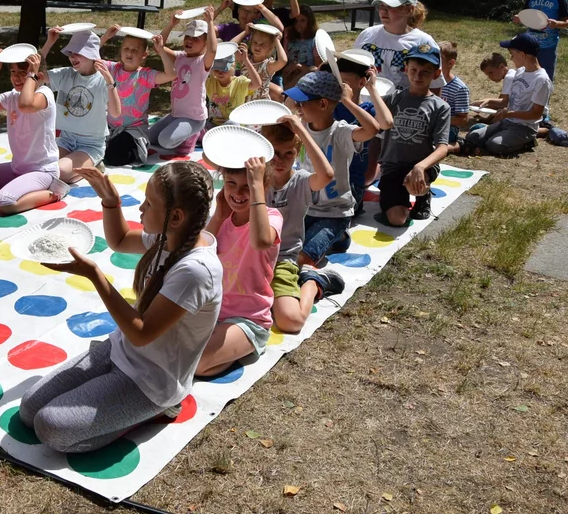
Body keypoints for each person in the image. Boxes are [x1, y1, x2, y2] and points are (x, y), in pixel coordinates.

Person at [20, 162, 220, 452]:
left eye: (149, 203)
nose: (140, 208)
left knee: (49, 427)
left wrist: (95, 276)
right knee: (29, 409)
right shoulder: (172, 237)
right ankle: (111, 410)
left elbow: (141, 333)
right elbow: (121, 240)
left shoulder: (196, 270)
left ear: (175, 217)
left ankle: (158, 409)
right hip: (119, 351)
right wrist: (110, 202)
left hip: (150, 381)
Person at [282, 71, 379, 266]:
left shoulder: (340, 131)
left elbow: (372, 129)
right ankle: (339, 239)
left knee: (301, 259)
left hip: (334, 213)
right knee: (281, 246)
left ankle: (337, 233)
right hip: (305, 209)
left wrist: (348, 102)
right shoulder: (302, 126)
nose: (297, 108)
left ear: (323, 104)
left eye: (302, 103)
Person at [195, 156, 281, 377]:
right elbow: (198, 253)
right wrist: (219, 215)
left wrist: (256, 185)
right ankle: (225, 348)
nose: (238, 193)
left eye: (248, 187)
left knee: (197, 365)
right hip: (211, 312)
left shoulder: (271, 217)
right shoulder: (223, 217)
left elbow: (261, 241)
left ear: (262, 188)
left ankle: (241, 348)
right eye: (231, 183)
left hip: (248, 319)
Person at [260, 119, 345, 335]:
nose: (279, 160)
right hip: (251, 257)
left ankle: (314, 280)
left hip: (282, 259)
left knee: (291, 321)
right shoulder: (255, 179)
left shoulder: (300, 182)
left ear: (297, 153)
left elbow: (326, 175)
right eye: (274, 153)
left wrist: (302, 131)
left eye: (288, 153)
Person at [0, 51, 68, 214]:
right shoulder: (13, 96)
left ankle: (54, 192)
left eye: (22, 73)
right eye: (13, 72)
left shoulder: (45, 94)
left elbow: (25, 105)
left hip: (42, 171)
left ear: (38, 75)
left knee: (2, 202)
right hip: (17, 168)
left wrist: (31, 76)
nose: (16, 77)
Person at [377, 45, 451, 226]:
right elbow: (373, 124)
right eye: (413, 70)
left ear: (436, 74)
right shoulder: (392, 99)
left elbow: (443, 147)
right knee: (397, 220)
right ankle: (397, 196)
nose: (418, 76)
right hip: (392, 165)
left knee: (415, 185)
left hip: (421, 167)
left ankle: (422, 195)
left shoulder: (440, 107)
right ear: (405, 69)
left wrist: (420, 166)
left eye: (425, 72)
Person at [40, 27, 121, 180]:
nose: (72, 56)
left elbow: (116, 113)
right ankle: (82, 165)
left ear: (92, 55)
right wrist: (49, 43)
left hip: (91, 145)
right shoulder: (66, 74)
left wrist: (110, 82)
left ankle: (92, 164)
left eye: (78, 52)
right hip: (66, 139)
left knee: (59, 172)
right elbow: (37, 75)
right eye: (70, 52)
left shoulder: (103, 80)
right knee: (39, 165)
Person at [459, 33, 552, 157]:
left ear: (522, 54)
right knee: (472, 137)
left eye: (512, 55)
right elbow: (506, 102)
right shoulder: (520, 72)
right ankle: (506, 136)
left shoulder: (541, 80)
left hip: (525, 127)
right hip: (507, 122)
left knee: (494, 145)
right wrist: (488, 102)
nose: (511, 58)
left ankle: (528, 141)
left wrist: (508, 113)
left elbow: (536, 113)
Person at [98, 25, 176, 166]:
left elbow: (171, 74)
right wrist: (105, 37)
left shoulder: (145, 75)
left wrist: (161, 51)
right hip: (110, 127)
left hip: (134, 129)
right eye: (126, 49)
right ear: (121, 51)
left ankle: (137, 149)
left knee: (114, 156)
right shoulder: (112, 68)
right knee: (89, 147)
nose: (130, 53)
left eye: (135, 50)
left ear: (144, 54)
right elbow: (90, 58)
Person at [333, 49, 394, 215]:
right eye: (337, 80)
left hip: (352, 181)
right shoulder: (329, 104)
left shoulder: (366, 110)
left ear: (361, 83)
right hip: (328, 177)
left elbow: (387, 123)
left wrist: (372, 88)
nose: (339, 86)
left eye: (344, 82)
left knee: (337, 213)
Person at [149, 9, 218, 154]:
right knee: (149, 137)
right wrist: (171, 24)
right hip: (176, 114)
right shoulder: (180, 56)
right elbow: (158, 46)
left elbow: (212, 51)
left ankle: (194, 134)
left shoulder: (203, 61)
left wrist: (210, 22)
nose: (189, 40)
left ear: (205, 43)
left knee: (165, 141)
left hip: (194, 118)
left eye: (196, 39)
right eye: (187, 37)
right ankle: (185, 132)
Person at [354, 0, 443, 92]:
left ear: (409, 9)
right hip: (366, 105)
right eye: (381, 5)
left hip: (404, 108)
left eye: (390, 6)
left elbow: (435, 87)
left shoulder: (423, 42)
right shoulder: (367, 35)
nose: (383, 11)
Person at [513, 0, 568, 81]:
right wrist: (519, 18)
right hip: (530, 44)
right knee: (527, 73)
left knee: (545, 76)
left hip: (548, 46)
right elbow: (525, 15)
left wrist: (558, 24)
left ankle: (543, 99)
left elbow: (567, 21)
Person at [205, 44, 261, 128]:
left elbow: (257, 84)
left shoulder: (240, 82)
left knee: (232, 123)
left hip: (233, 126)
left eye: (224, 69)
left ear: (233, 66)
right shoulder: (210, 82)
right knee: (199, 123)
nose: (220, 72)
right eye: (217, 69)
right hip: (214, 125)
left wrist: (245, 60)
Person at [229, 22, 287, 101]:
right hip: (243, 101)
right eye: (255, 43)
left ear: (270, 49)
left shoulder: (268, 65)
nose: (257, 47)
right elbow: (229, 47)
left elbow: (283, 61)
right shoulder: (245, 59)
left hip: (260, 103)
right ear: (250, 43)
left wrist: (277, 41)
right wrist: (245, 32)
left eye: (262, 45)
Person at [214, 0, 287, 42]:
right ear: (238, 10)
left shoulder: (260, 32)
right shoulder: (228, 28)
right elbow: (203, 29)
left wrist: (262, 8)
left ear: (257, 15)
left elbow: (280, 28)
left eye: (249, 12)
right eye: (243, 10)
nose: (245, 14)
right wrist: (221, 8)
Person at [438, 41, 470, 144]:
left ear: (450, 63)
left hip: (449, 128)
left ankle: (460, 146)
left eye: (438, 60)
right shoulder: (429, 82)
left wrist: (439, 119)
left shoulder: (459, 88)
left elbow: (463, 120)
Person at [281, 6, 319, 89]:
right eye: (296, 21)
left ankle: (285, 91)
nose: (299, 24)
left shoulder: (315, 39)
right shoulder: (289, 34)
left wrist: (299, 66)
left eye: (303, 21)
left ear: (310, 22)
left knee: (312, 69)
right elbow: (284, 56)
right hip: (290, 72)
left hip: (307, 73)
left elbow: (318, 67)